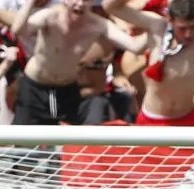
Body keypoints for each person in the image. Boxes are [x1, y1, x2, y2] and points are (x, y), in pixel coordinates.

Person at [105, 0, 194, 126]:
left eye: (192, 27)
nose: (188, 34)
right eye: (182, 28)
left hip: (189, 117)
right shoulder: (157, 27)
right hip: (153, 119)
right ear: (170, 20)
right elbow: (110, 6)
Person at [10, 0, 146, 125]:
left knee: (67, 140)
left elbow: (135, 47)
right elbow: (18, 30)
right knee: (23, 138)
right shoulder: (50, 16)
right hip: (35, 88)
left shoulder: (98, 25)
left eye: (85, 0)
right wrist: (30, 2)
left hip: (66, 89)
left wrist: (154, 26)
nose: (80, 4)